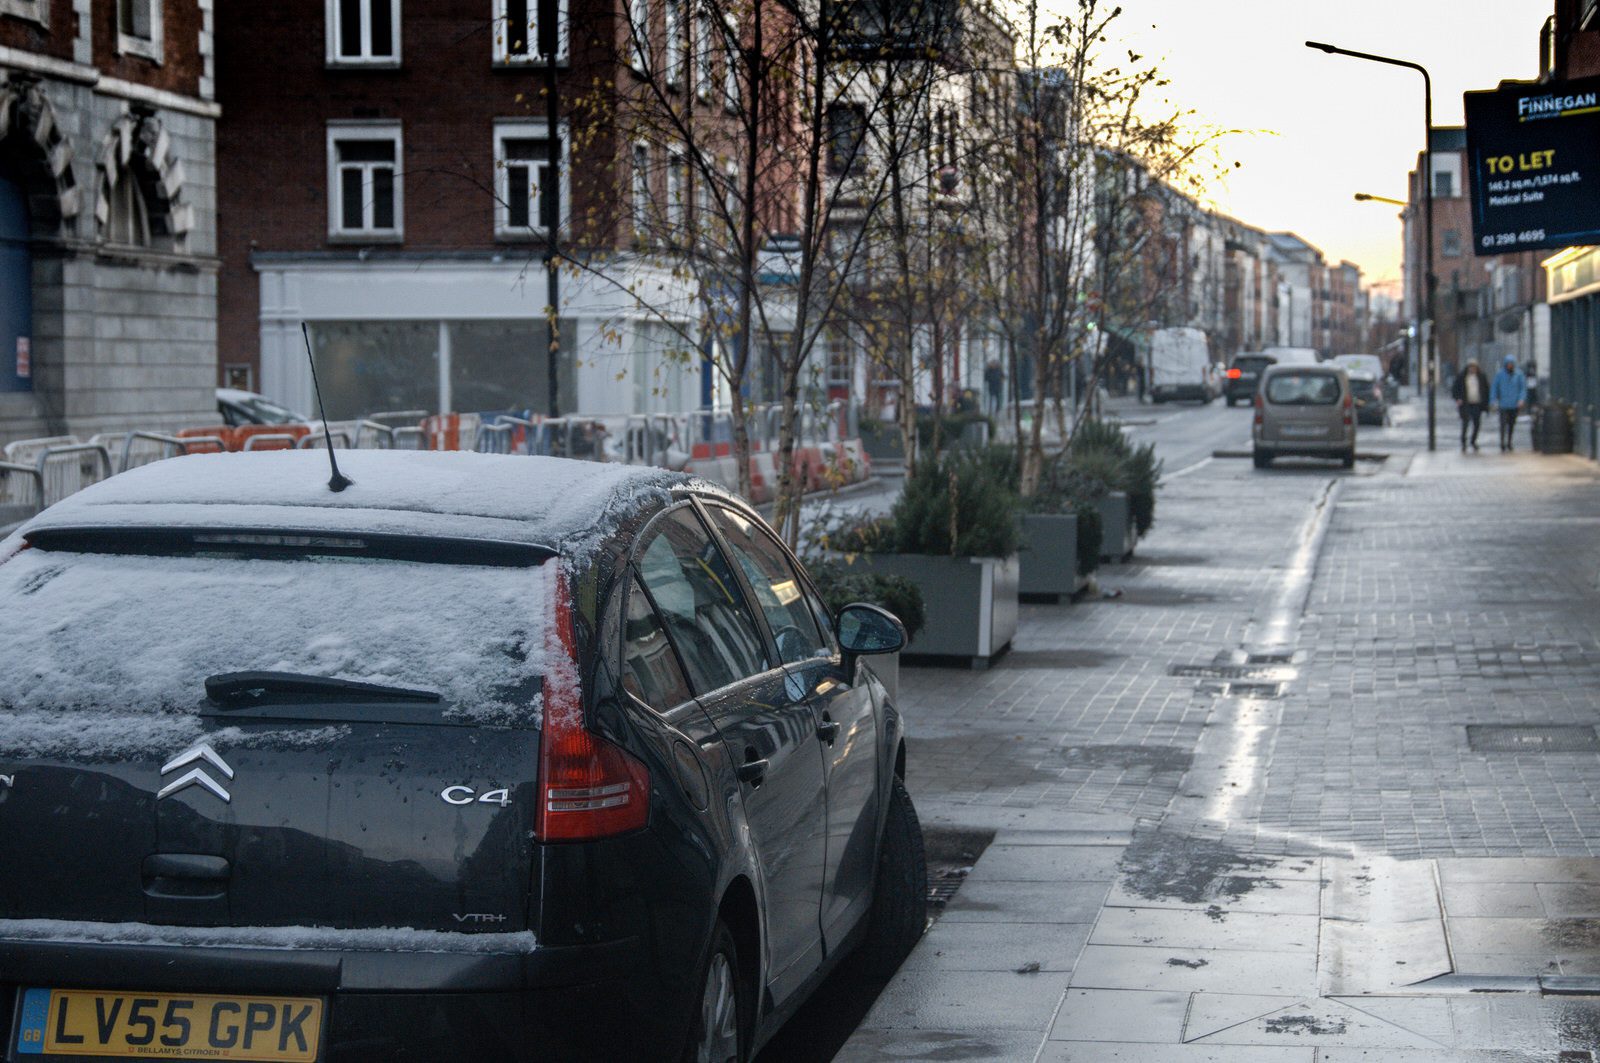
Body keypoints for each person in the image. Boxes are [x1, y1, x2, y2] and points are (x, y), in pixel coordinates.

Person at [1490, 354, 1528, 452]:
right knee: (1503, 424)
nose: (1510, 366)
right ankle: (1502, 442)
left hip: (1514, 404)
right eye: (1508, 364)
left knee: (1511, 424)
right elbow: (1495, 388)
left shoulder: (1519, 375)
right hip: (1503, 404)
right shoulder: (1500, 375)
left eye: (1511, 364)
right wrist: (1493, 400)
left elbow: (1522, 388)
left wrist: (1521, 399)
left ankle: (1509, 442)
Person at [1451, 360, 1489, 452]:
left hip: (1477, 403)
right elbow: (1455, 389)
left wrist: (1486, 403)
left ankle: (1473, 440)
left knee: (1477, 424)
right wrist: (1458, 399)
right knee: (1465, 423)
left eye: (1474, 367)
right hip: (1465, 404)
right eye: (1470, 367)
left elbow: (1486, 389)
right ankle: (1463, 442)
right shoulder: (1462, 377)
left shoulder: (1481, 377)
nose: (1472, 369)